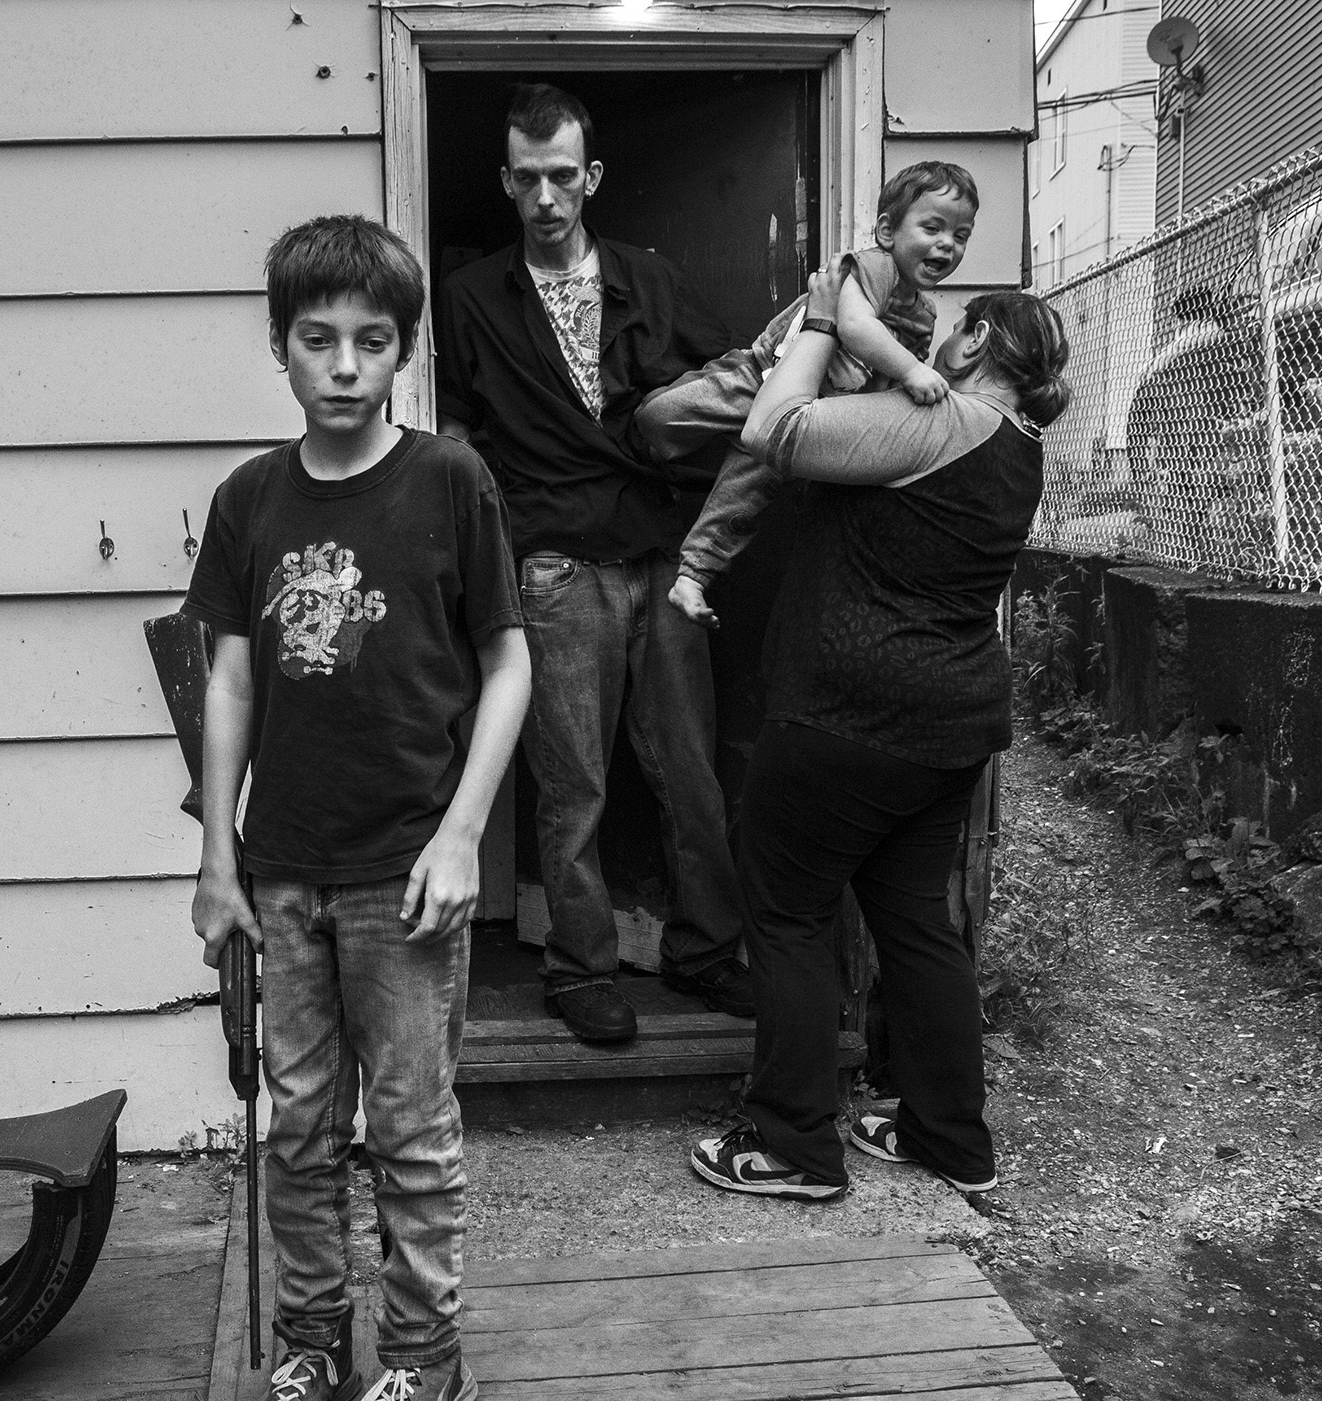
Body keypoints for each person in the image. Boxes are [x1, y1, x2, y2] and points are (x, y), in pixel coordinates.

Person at [186, 215, 532, 1401]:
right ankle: (314, 1347)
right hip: (282, 870)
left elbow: (507, 661)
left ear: (401, 352)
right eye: (317, 340)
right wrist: (218, 856)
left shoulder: (448, 481)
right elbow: (227, 679)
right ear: (279, 347)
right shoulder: (247, 501)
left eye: (370, 342)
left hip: (404, 872)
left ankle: (424, 1359)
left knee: (410, 1129)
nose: (342, 364)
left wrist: (461, 835)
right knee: (298, 1127)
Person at [687, 268, 1070, 1204]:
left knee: (787, 914)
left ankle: (794, 1147)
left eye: (957, 331)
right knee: (916, 927)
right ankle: (949, 1139)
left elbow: (771, 430)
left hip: (847, 718)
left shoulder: (942, 421)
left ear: (976, 342)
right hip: (950, 726)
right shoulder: (1020, 444)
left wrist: (823, 317)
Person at [437, 82, 753, 1044]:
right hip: (554, 566)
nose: (544, 198)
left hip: (660, 556)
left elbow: (738, 384)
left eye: (562, 177)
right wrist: (493, 544)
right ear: (504, 179)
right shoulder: (472, 295)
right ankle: (580, 972)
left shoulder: (649, 280)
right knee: (573, 785)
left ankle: (704, 952)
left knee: (690, 771)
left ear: (593, 177)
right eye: (527, 179)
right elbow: (459, 429)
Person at [634, 162, 980, 633]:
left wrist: (896, 389)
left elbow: (885, 393)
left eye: (961, 235)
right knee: (661, 416)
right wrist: (913, 369)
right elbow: (855, 328)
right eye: (932, 227)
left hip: (802, 417)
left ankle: (693, 575)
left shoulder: (922, 315)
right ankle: (641, 453)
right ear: (886, 231)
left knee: (742, 498)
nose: (947, 244)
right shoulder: (875, 267)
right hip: (760, 375)